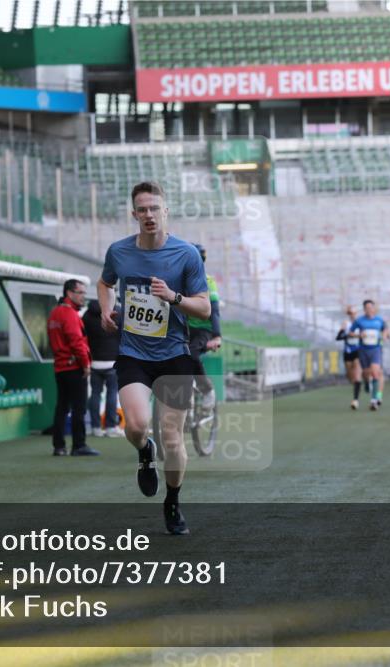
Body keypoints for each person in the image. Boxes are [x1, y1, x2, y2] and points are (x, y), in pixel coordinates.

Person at [97, 181, 211, 535]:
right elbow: (105, 284)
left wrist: (174, 297)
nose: (149, 215)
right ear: (134, 214)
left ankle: (173, 502)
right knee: (134, 426)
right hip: (134, 352)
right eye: (142, 209)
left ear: (166, 211)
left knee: (173, 437)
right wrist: (106, 311)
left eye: (154, 208)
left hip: (175, 355)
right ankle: (144, 452)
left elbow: (204, 309)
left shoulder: (186, 254)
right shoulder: (119, 252)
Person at [47, 279, 100, 456]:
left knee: (61, 407)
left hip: (60, 367)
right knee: (79, 407)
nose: (84, 296)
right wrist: (85, 364)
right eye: (81, 293)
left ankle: (59, 446)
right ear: (70, 293)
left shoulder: (54, 313)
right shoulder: (69, 315)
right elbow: (77, 342)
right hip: (73, 367)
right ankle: (79, 445)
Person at [186, 243, 222, 409]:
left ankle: (207, 390)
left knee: (192, 355)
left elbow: (214, 310)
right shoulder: (180, 280)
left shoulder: (208, 281)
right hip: (184, 328)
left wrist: (216, 336)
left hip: (203, 330)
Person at [82, 298, 124, 438]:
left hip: (94, 362)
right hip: (112, 361)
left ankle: (95, 427)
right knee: (112, 394)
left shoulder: (87, 315)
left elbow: (83, 337)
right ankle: (110, 427)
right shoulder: (117, 313)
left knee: (95, 394)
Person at [349, 299, 390, 411]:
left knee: (375, 372)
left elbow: (386, 329)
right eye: (366, 308)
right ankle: (367, 382)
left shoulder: (379, 320)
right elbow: (351, 333)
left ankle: (374, 401)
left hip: (375, 349)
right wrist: (358, 335)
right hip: (363, 350)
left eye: (370, 307)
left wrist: (385, 336)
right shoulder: (359, 321)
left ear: (373, 308)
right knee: (366, 373)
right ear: (364, 309)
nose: (369, 310)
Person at [336, 305, 363, 410]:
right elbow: (338, 337)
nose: (353, 315)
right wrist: (347, 335)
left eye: (354, 313)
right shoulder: (345, 324)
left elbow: (364, 336)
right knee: (350, 376)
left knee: (357, 374)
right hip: (348, 351)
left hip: (358, 351)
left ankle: (355, 400)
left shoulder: (361, 324)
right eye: (351, 313)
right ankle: (357, 385)